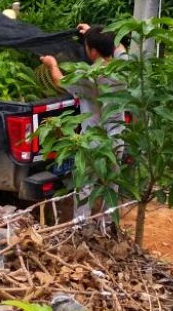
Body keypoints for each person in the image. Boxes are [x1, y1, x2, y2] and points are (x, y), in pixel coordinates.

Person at [40, 25, 127, 222]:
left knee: (86, 185)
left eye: (87, 45)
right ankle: (109, 227)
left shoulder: (89, 78)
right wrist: (94, 33)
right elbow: (120, 47)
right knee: (111, 185)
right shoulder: (124, 67)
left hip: (93, 141)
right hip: (117, 137)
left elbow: (60, 81)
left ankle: (80, 227)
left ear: (93, 51)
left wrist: (52, 64)